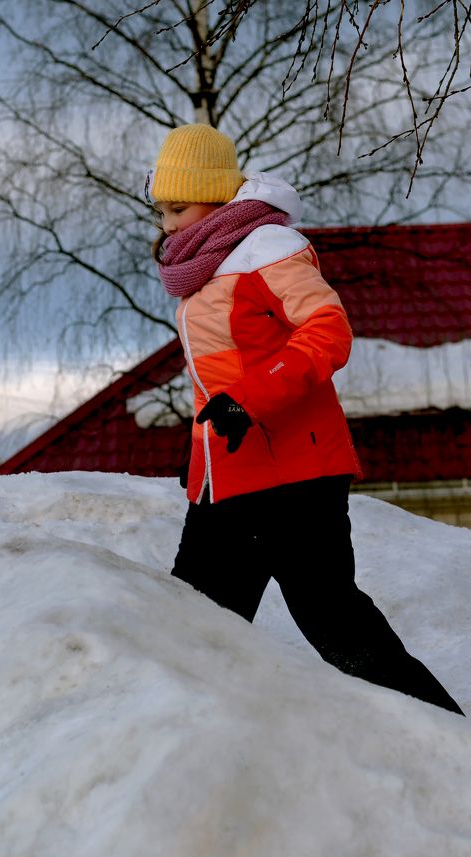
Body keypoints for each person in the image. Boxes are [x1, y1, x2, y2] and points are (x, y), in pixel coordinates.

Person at [147, 123, 463, 715]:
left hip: (293, 475)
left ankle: (444, 745)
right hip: (232, 474)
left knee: (331, 622)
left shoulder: (267, 251)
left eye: (178, 208)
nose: (167, 224)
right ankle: (194, 749)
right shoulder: (209, 265)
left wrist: (250, 400)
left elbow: (328, 331)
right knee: (194, 620)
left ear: (216, 197)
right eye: (161, 209)